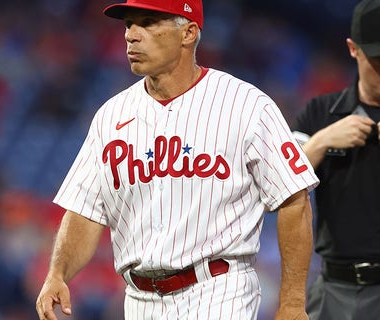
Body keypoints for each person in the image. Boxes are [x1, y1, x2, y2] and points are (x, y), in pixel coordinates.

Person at [36, 0, 320, 319]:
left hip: (218, 291)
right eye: (129, 24)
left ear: (188, 33)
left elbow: (294, 201)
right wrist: (57, 274)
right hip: (139, 299)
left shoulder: (246, 106)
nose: (131, 34)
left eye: (148, 22)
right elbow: (86, 211)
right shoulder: (110, 117)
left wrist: (293, 302)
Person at [291, 0, 380, 319]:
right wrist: (321, 142)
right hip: (335, 291)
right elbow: (277, 187)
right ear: (353, 49)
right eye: (377, 57)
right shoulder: (321, 113)